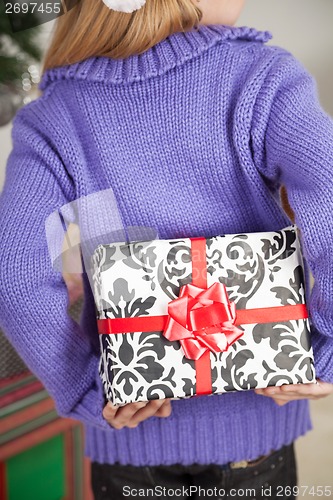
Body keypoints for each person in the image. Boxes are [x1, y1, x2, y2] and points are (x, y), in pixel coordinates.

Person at [0, 0, 333, 498]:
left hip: (130, 434)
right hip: (257, 428)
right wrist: (326, 343)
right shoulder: (262, 78)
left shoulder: (55, 116)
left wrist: (84, 387)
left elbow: (15, 275)